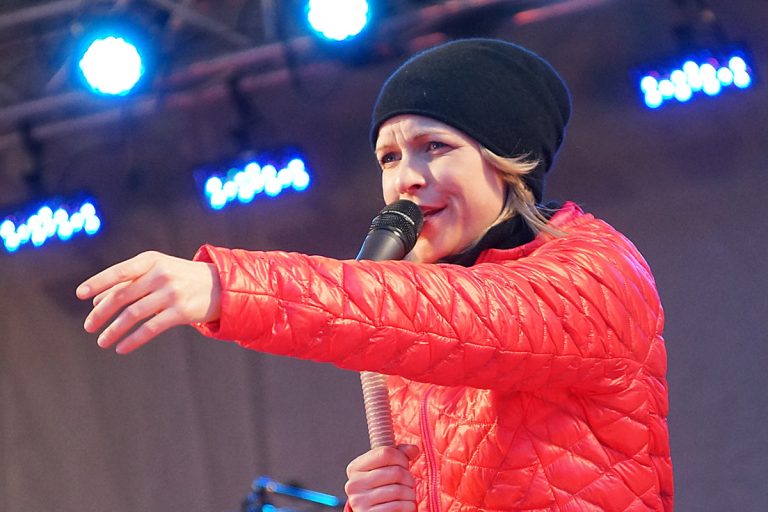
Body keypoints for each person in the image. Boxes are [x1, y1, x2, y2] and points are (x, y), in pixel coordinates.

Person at [77, 39, 673, 511]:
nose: (405, 179)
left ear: (510, 160)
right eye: (389, 157)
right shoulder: (426, 289)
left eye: (434, 146)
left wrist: (223, 286)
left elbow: (456, 316)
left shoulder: (593, 272)